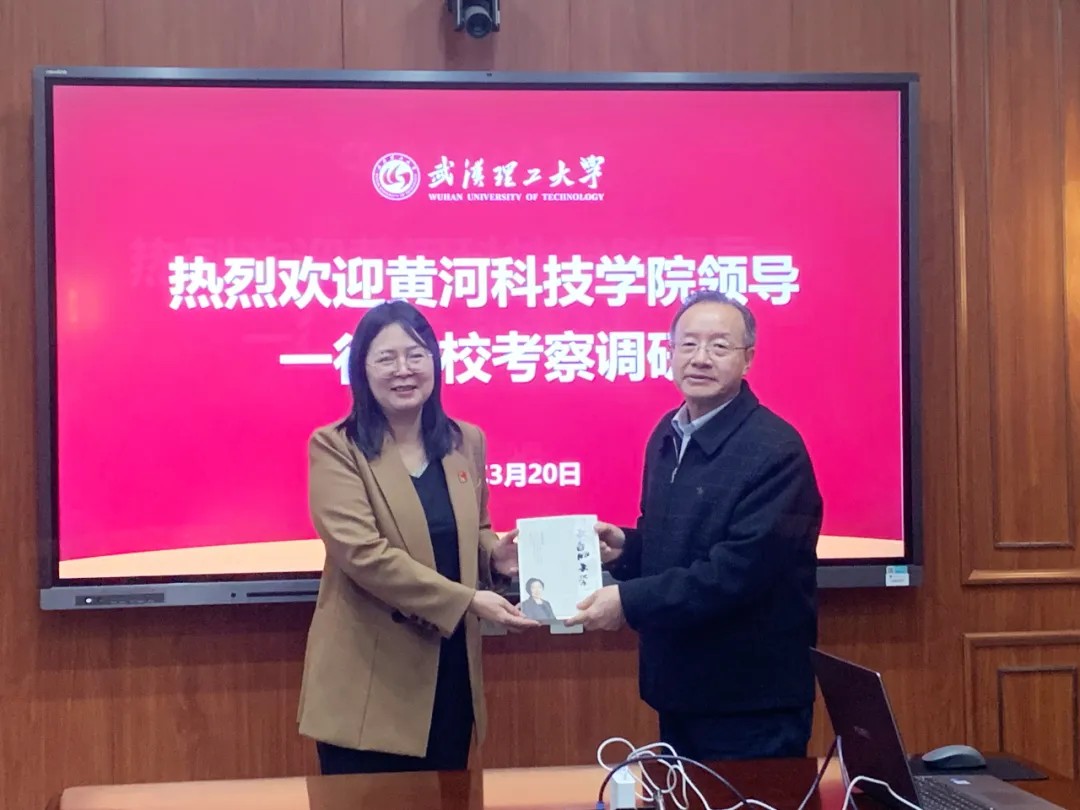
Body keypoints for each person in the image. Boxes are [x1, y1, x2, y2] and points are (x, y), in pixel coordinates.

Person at [566, 289, 822, 761]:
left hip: (750, 703)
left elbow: (735, 573)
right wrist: (626, 548)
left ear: (748, 359)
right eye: (688, 344)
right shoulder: (667, 433)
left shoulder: (776, 450)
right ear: (669, 353)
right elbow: (677, 543)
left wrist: (628, 601)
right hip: (678, 688)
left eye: (719, 346)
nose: (700, 358)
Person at [298, 300, 539, 775]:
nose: (403, 370)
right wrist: (467, 600)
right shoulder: (336, 446)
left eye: (416, 354)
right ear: (361, 369)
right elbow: (362, 554)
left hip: (449, 673)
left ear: (435, 361)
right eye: (386, 358)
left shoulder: (465, 440)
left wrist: (495, 556)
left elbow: (475, 531)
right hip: (371, 683)